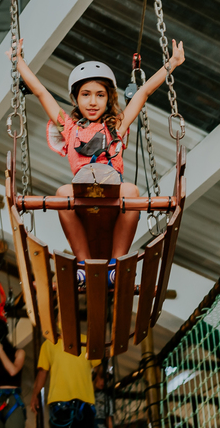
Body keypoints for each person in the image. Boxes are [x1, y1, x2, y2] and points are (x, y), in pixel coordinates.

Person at [10, 40, 186, 272]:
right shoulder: (69, 128)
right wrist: (18, 62)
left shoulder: (116, 126)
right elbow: (41, 92)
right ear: (75, 98)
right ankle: (82, 263)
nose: (92, 102)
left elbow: (144, 92)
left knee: (131, 191)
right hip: (83, 196)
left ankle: (116, 263)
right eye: (86, 95)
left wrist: (171, 63)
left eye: (100, 95)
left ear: (108, 99)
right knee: (62, 192)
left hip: (113, 194)